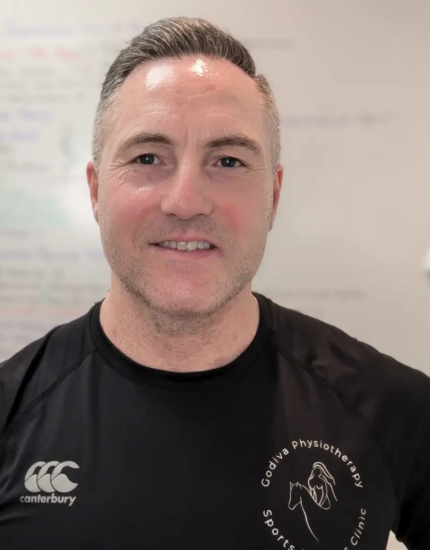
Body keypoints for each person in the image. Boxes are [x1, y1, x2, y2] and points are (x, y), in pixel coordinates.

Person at [0, 16, 428, 550]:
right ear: (94, 191)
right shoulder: (11, 412)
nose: (185, 201)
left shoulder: (392, 408)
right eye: (148, 158)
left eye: (227, 160)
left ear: (272, 196)